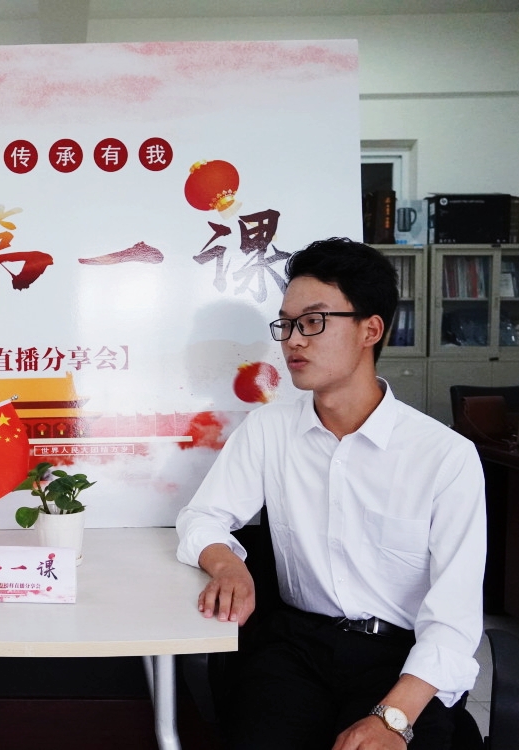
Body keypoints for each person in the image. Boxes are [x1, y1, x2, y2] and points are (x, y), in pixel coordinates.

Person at [176, 238, 486, 749]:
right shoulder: (269, 430)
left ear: (371, 330)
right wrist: (228, 565)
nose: (293, 341)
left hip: (401, 657)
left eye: (313, 322)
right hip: (295, 650)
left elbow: (454, 619)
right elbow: (202, 516)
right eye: (286, 324)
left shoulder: (445, 457)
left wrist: (392, 720)